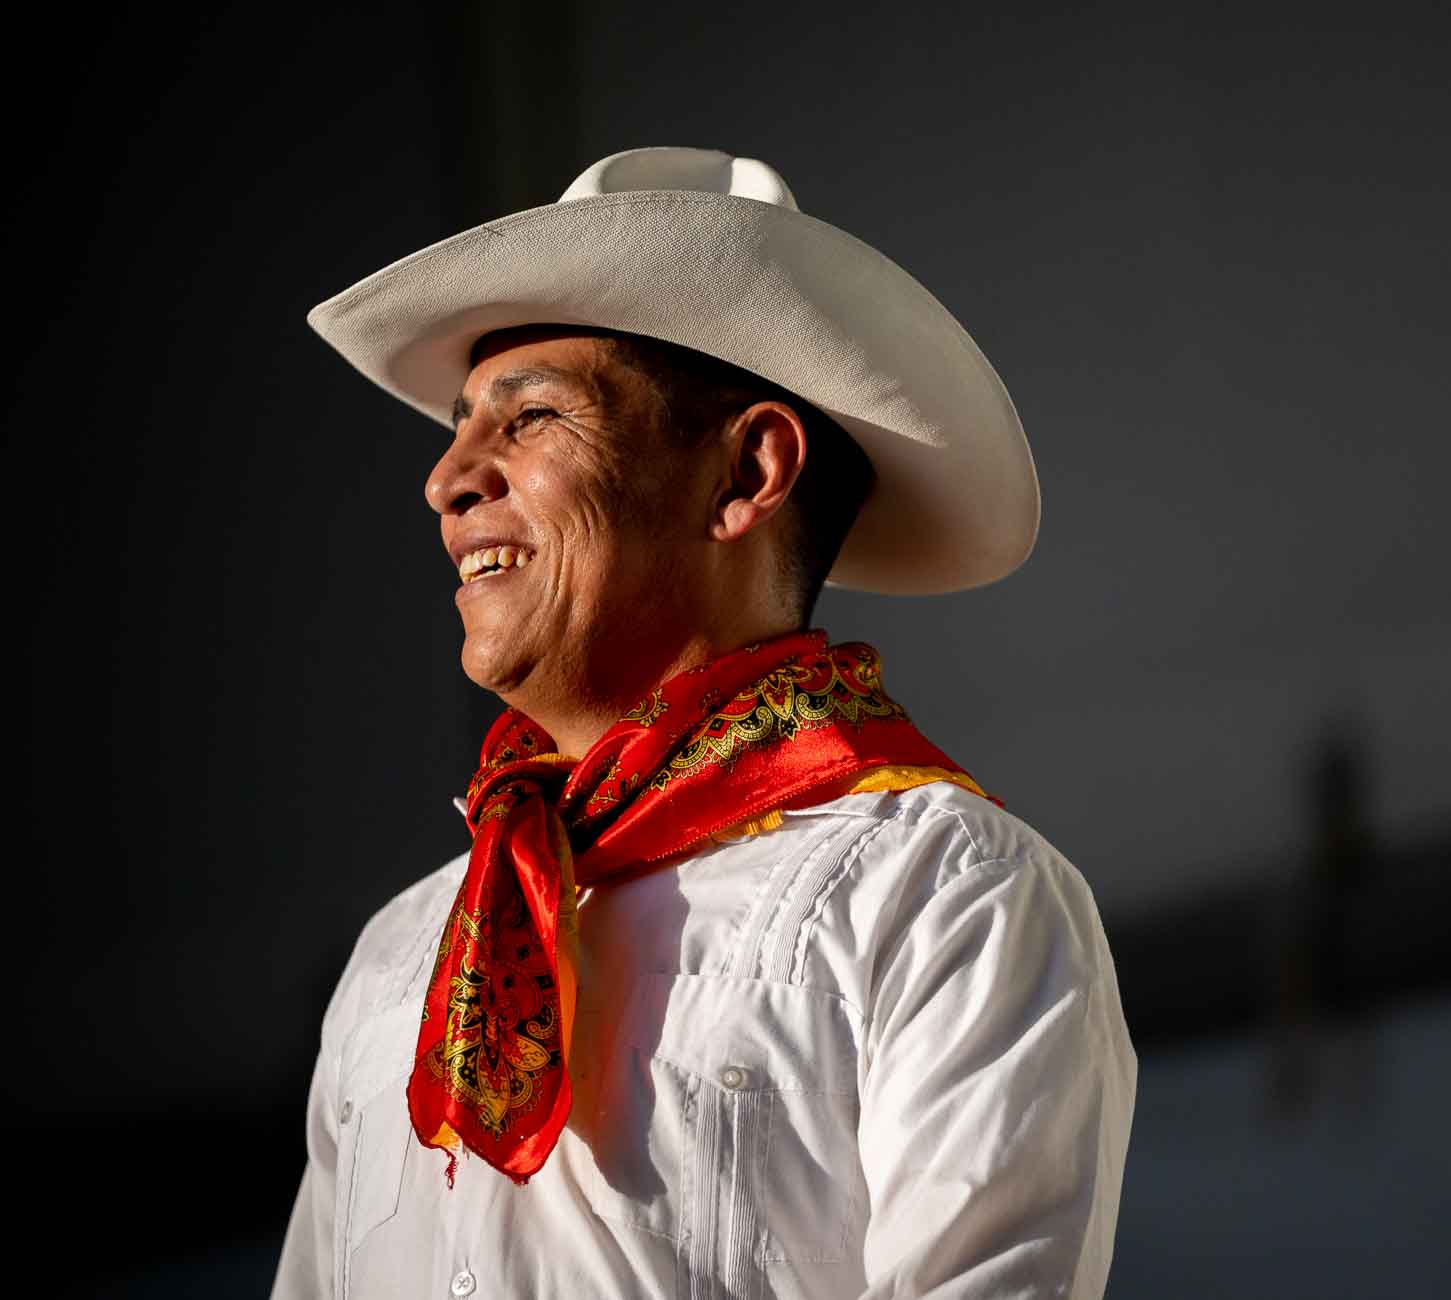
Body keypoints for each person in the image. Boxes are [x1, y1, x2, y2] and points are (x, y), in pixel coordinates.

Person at [270, 146, 1138, 1299]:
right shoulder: (402, 953)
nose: (450, 477)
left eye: (529, 417)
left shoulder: (947, 897)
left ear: (746, 471)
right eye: (461, 425)